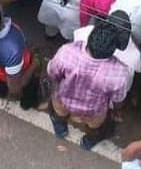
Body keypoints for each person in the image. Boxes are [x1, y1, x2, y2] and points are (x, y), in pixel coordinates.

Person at [47, 20, 133, 149]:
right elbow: (117, 99)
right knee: (95, 128)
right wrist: (116, 110)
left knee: (58, 114)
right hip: (93, 111)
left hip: (62, 99)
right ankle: (88, 142)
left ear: (90, 37)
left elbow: (52, 73)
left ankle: (60, 130)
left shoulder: (67, 52)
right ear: (112, 50)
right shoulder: (119, 72)